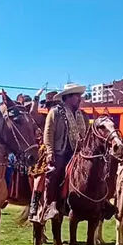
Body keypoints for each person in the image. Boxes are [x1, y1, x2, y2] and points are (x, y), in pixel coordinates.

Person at [41, 83, 90, 220]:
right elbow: (48, 133)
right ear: (67, 97)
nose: (79, 99)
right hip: (61, 152)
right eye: (76, 96)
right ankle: (51, 204)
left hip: (79, 153)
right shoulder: (55, 112)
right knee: (54, 173)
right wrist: (50, 152)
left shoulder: (83, 115)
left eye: (80, 96)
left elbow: (87, 134)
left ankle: (100, 202)